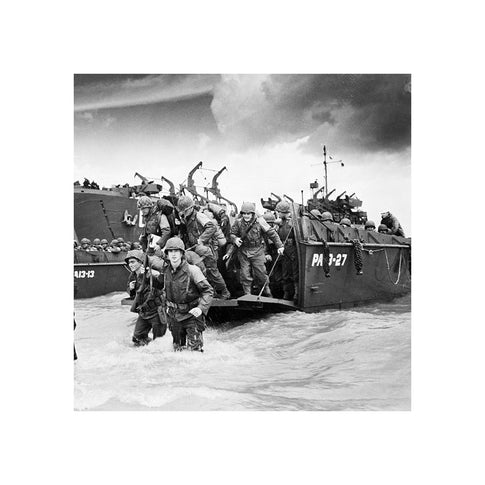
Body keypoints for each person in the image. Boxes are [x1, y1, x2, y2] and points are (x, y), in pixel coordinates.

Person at [162, 237, 214, 352]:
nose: (173, 254)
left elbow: (208, 291)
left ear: (182, 253)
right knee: (177, 350)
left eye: (176, 251)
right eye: (170, 251)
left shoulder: (193, 270)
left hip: (191, 315)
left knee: (195, 352)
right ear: (167, 254)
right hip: (174, 317)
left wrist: (201, 308)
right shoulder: (165, 271)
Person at [177, 195, 231, 299]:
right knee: (202, 272)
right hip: (196, 249)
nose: (183, 213)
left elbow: (211, 227)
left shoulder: (199, 216)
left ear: (191, 208)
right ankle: (211, 292)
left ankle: (225, 292)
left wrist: (201, 239)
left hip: (207, 249)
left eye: (185, 210)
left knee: (213, 272)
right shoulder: (186, 218)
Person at [226, 201, 284, 297]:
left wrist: (280, 246)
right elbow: (231, 234)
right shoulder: (238, 222)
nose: (246, 216)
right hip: (244, 251)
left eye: (248, 213)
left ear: (252, 214)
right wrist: (235, 239)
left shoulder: (260, 221)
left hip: (257, 251)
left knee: (261, 274)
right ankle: (247, 294)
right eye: (244, 213)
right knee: (244, 275)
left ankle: (267, 292)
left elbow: (272, 233)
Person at [126, 249, 167, 346]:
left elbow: (160, 285)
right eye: (129, 263)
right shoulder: (132, 276)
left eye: (133, 262)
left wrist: (148, 276)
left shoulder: (151, 273)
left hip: (156, 311)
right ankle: (147, 349)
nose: (130, 265)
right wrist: (131, 289)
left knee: (160, 341)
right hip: (143, 312)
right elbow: (132, 294)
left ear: (140, 262)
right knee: (137, 338)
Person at [275, 201, 299, 301]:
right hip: (283, 249)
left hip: (292, 249)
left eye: (279, 212)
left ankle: (297, 293)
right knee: (285, 273)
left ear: (283, 212)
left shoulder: (294, 222)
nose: (278, 214)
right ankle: (287, 293)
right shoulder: (280, 223)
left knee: (295, 272)